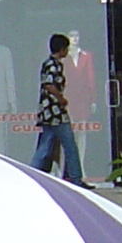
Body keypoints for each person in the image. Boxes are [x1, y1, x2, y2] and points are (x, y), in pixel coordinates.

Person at [32, 32, 83, 184]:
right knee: (69, 144)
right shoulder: (53, 65)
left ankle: (32, 173)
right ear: (61, 49)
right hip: (55, 111)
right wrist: (61, 99)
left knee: (45, 145)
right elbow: (49, 85)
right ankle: (75, 178)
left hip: (49, 112)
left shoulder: (49, 63)